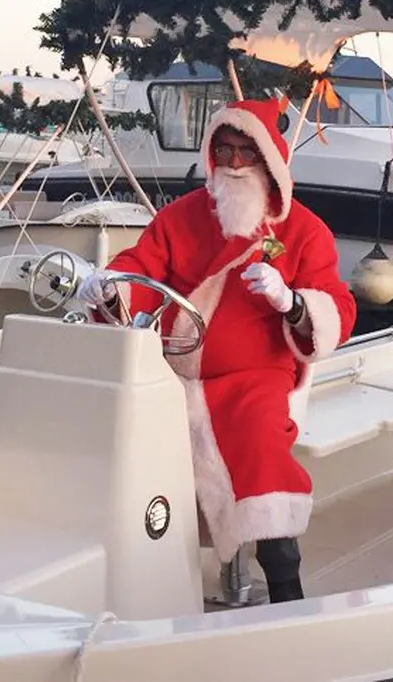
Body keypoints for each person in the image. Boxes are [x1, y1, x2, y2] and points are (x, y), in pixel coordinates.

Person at [76, 97, 357, 603]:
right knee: (115, 428)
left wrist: (292, 302)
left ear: (268, 160)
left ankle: (285, 585)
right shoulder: (182, 216)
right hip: (171, 368)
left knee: (259, 445)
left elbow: (337, 306)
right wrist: (110, 286)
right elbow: (141, 266)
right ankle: (129, 572)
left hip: (257, 373)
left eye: (245, 153)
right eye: (223, 151)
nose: (233, 163)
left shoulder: (304, 231)